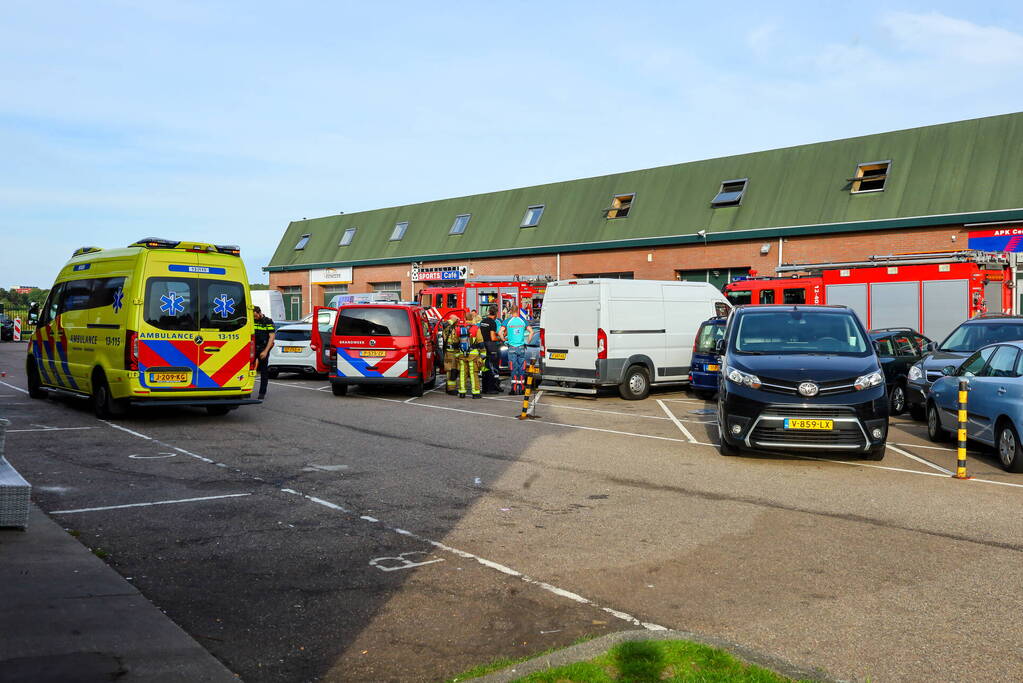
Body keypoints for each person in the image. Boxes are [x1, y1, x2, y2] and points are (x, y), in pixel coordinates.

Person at [449, 315, 484, 398]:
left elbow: (455, 343)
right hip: (473, 355)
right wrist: (482, 354)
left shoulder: (458, 329)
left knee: (462, 374)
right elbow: (480, 343)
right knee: (473, 374)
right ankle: (475, 393)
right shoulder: (476, 328)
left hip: (462, 355)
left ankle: (462, 392)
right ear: (472, 319)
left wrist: (457, 355)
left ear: (465, 319)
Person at [502, 305, 533, 395]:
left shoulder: (508, 321)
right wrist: (527, 342)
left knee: (513, 368)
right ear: (518, 311)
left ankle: (514, 389)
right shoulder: (523, 321)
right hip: (521, 347)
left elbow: (500, 332)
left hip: (512, 347)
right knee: (521, 368)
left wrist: (504, 340)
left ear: (511, 311)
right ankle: (522, 388)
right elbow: (531, 332)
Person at [478, 305, 502, 394]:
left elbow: (485, 333)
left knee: (485, 367)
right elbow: (492, 337)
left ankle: (485, 388)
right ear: (496, 313)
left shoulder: (483, 321)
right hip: (491, 346)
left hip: (483, 345)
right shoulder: (492, 322)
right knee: (492, 367)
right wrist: (500, 339)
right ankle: (491, 388)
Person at [253, 305, 275, 400]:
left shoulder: (268, 321)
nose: (254, 318)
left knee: (263, 371)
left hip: (263, 348)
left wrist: (266, 351)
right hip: (252, 349)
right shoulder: (251, 320)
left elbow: (271, 337)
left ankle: (262, 393)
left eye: (255, 316)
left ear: (259, 313)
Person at [442, 313, 460, 393]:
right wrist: (453, 320)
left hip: (454, 352)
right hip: (449, 352)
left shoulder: (453, 328)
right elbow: (444, 324)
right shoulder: (447, 327)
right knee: (450, 370)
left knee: (454, 371)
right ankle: (450, 389)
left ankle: (450, 388)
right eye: (456, 320)